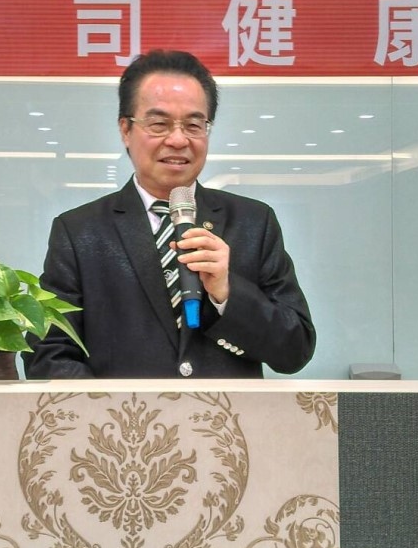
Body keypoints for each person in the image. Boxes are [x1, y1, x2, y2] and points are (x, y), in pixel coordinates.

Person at [23, 49, 315, 379]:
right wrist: (115, 407)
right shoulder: (79, 231)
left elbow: (295, 351)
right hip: (124, 414)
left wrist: (227, 293)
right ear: (125, 129)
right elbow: (47, 354)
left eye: (193, 125)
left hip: (229, 414)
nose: (178, 139)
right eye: (159, 124)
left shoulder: (253, 223)